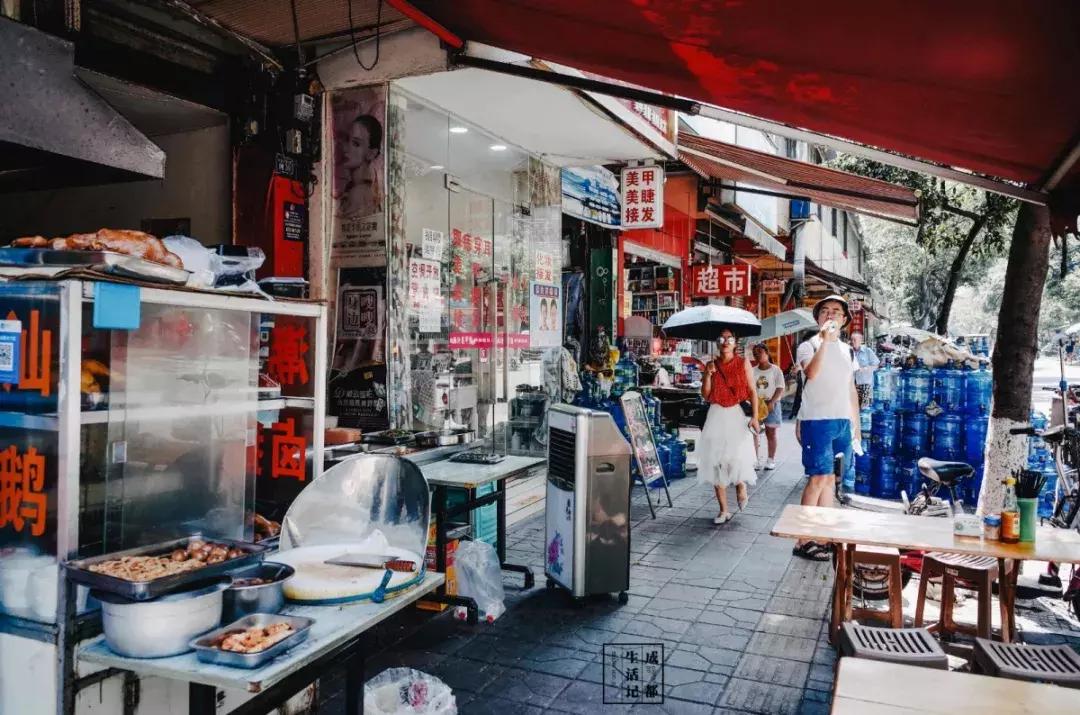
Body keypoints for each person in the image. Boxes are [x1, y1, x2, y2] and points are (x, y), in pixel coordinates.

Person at [792, 295, 862, 561]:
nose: (830, 315)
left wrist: (856, 424)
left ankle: (824, 536)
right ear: (818, 318)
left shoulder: (848, 350)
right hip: (817, 419)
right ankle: (802, 539)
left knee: (832, 479)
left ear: (844, 320)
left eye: (836, 312)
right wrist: (825, 342)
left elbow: (850, 388)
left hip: (842, 420)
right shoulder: (809, 345)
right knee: (817, 477)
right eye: (825, 311)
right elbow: (812, 373)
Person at [698, 329, 759, 525]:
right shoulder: (711, 364)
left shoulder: (743, 363)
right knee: (716, 461)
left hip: (734, 414)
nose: (725, 342)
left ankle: (740, 484)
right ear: (716, 343)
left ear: (735, 343)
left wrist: (755, 417)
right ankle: (724, 510)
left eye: (729, 339)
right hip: (715, 414)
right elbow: (706, 395)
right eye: (721, 338)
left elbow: (752, 390)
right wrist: (707, 375)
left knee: (735, 457)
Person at [751, 343, 785, 470]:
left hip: (772, 405)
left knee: (771, 433)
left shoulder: (776, 370)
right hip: (757, 405)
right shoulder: (753, 371)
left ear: (767, 353)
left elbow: (780, 387)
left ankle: (770, 459)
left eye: (760, 352)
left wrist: (772, 402)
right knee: (755, 432)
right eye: (755, 353)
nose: (757, 355)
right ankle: (755, 459)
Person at [851, 331, 879, 409]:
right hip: (853, 385)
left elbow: (876, 365)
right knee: (853, 409)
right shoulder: (849, 351)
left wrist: (865, 369)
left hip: (865, 385)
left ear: (860, 340)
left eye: (854, 340)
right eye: (851, 339)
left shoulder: (867, 351)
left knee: (864, 410)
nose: (852, 342)